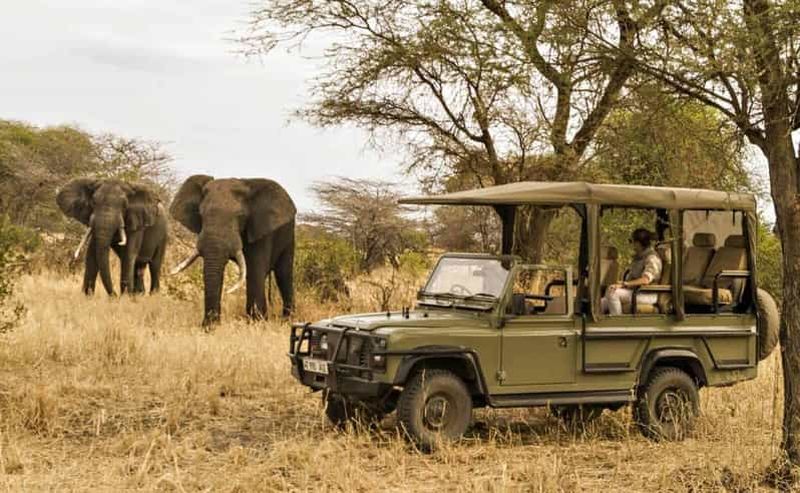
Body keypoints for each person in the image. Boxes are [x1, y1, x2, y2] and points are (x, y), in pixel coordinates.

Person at [601, 228, 662, 315]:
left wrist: (625, 284)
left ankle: (617, 323)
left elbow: (646, 280)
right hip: (636, 292)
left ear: (638, 243)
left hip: (647, 294)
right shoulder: (639, 258)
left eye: (632, 241)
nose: (632, 245)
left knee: (612, 292)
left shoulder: (652, 258)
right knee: (601, 302)